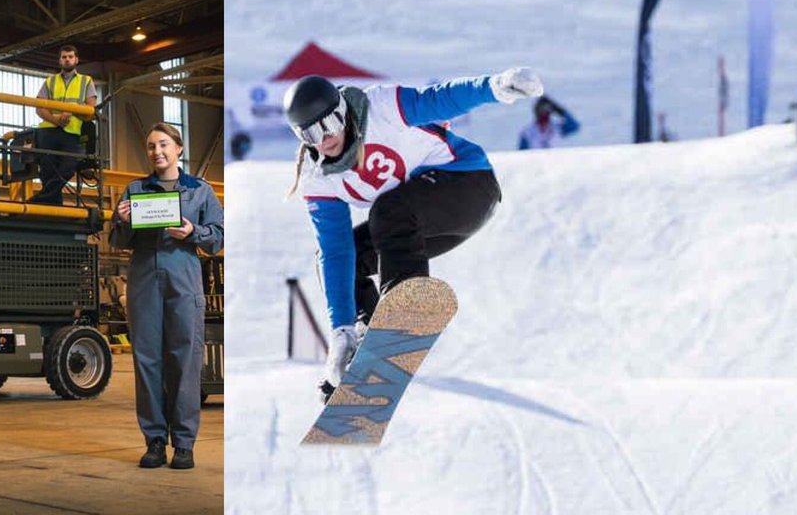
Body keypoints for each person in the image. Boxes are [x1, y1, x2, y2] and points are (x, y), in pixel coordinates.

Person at [284, 66, 541, 398]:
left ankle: (402, 317)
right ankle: (365, 338)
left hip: (469, 185)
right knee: (342, 258)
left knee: (388, 211)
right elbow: (336, 251)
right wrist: (340, 331)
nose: (325, 140)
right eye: (310, 135)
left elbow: (440, 99)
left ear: (343, 112)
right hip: (423, 225)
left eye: (328, 125)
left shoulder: (382, 108)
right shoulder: (317, 176)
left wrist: (494, 87)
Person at [110, 122, 224, 471]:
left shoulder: (199, 191)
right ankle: (155, 442)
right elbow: (117, 241)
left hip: (184, 280)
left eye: (163, 145)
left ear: (178, 149)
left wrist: (194, 232)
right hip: (144, 280)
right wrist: (121, 220)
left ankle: (185, 445)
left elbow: (218, 237)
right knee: (147, 362)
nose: (156, 152)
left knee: (184, 361)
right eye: (150, 147)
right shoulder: (134, 190)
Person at [33, 44, 97, 206]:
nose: (67, 60)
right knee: (47, 170)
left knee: (69, 166)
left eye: (70, 57)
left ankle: (43, 197)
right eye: (64, 57)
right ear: (59, 60)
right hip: (49, 130)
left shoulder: (86, 81)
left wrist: (72, 111)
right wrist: (56, 120)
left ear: (76, 59)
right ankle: (53, 205)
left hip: (73, 132)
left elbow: (90, 110)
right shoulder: (50, 81)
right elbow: (39, 108)